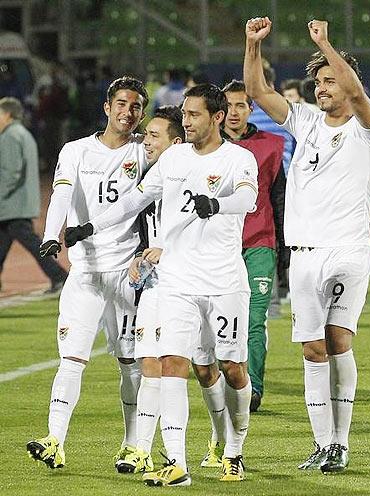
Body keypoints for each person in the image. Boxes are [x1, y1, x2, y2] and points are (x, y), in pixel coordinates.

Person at [66, 83, 258, 486]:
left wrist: (217, 204)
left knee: (231, 368)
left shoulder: (238, 158)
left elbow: (247, 198)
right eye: (184, 114)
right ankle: (177, 462)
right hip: (176, 281)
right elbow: (133, 200)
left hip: (223, 280)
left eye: (194, 115)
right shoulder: (172, 160)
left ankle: (235, 449)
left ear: (217, 118)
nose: (185, 121)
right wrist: (89, 226)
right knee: (173, 364)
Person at [244, 17, 370, 473]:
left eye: (329, 80)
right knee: (311, 348)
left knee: (338, 339)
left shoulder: (368, 125)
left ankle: (342, 443)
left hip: (346, 251)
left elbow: (358, 94)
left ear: (346, 82)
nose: (321, 87)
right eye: (318, 80)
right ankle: (323, 443)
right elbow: (258, 91)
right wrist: (252, 45)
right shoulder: (304, 121)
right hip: (303, 254)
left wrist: (325, 44)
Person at [27, 76, 149, 470]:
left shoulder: (144, 151)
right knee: (71, 357)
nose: (127, 112)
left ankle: (133, 444)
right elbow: (62, 191)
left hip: (128, 272)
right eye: (122, 104)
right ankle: (54, 440)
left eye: (135, 107)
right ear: (107, 107)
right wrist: (51, 234)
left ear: (141, 112)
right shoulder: (76, 150)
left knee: (130, 361)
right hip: (85, 272)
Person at [113, 105, 185, 475]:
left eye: (154, 136)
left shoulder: (190, 176)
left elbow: (207, 231)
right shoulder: (148, 178)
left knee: (209, 371)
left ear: (176, 142)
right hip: (156, 282)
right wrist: (142, 253)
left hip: (192, 284)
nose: (145, 142)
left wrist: (167, 250)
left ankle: (226, 444)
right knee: (150, 362)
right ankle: (141, 449)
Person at [217, 79, 287, 413]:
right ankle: (222, 382)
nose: (234, 112)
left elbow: (280, 197)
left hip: (259, 243)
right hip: (217, 247)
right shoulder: (204, 148)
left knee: (253, 319)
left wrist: (285, 249)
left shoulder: (272, 146)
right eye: (228, 105)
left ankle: (253, 388)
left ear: (251, 109)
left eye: (241, 105)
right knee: (216, 321)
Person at [0, 97, 67, 293]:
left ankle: (60, 276)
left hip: (12, 204)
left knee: (32, 243)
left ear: (7, 114)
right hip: (18, 203)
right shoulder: (24, 134)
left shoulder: (9, 136)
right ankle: (59, 277)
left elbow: (11, 172)